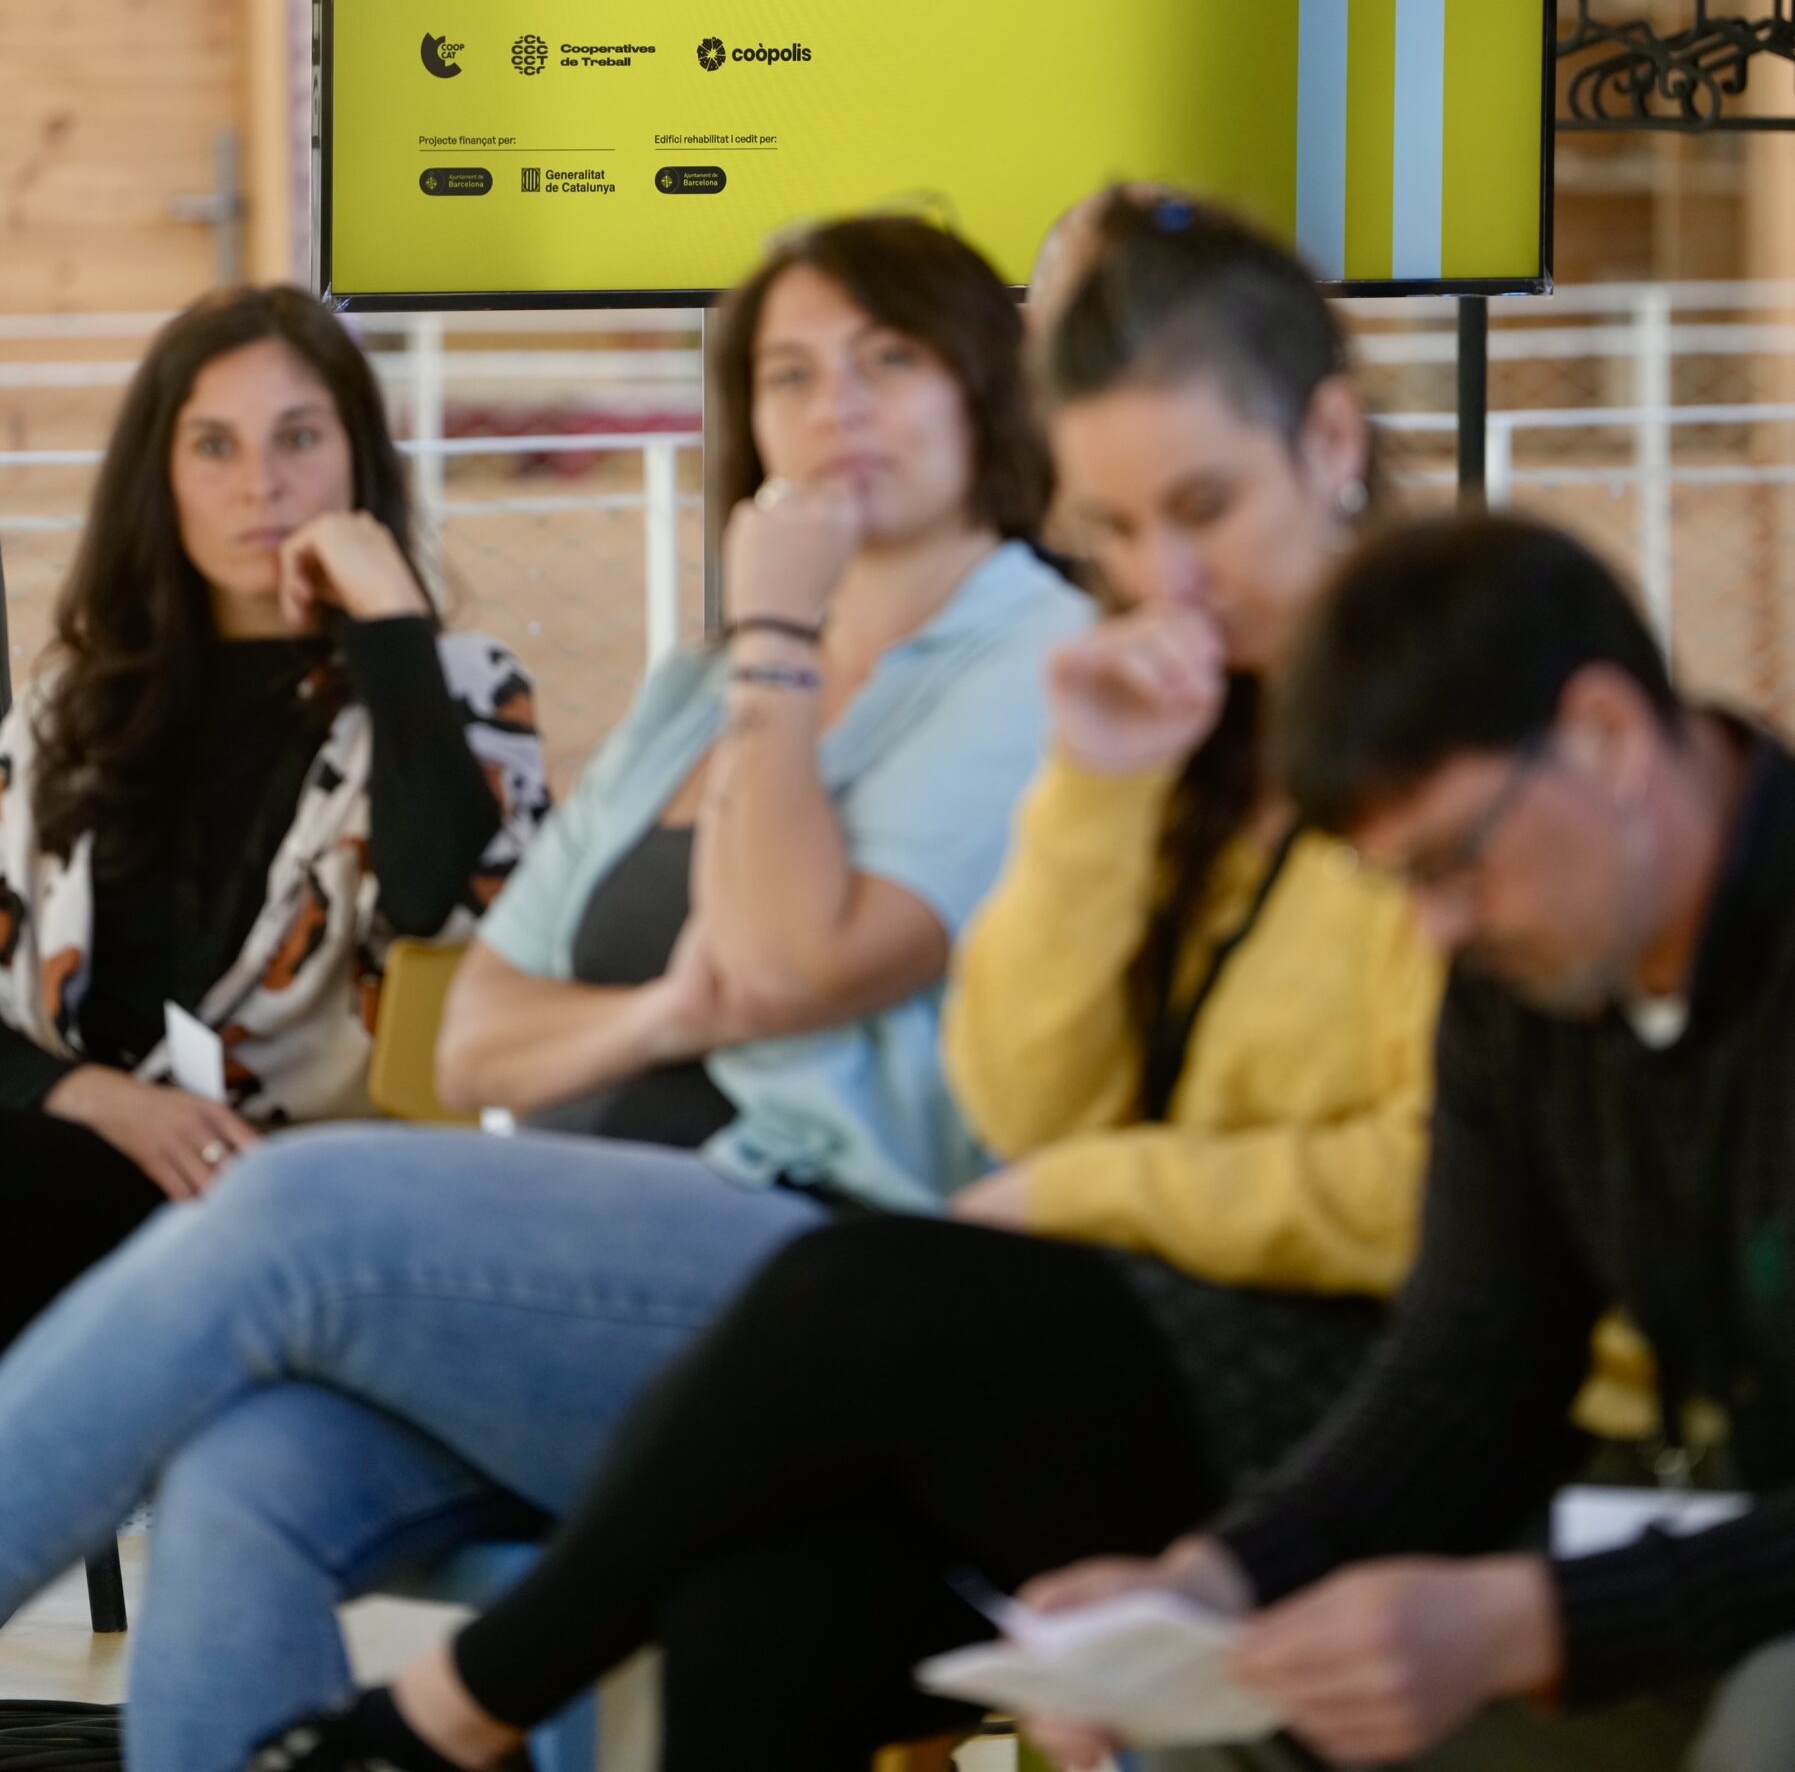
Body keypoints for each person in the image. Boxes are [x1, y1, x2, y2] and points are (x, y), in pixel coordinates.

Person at [251, 190, 1443, 1772]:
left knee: (820, 1287)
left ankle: (442, 1716)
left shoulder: (1443, 717)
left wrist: (1092, 1184)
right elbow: (1032, 1094)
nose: (1164, 577)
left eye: (1202, 508)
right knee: (756, 1605)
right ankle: (436, 1725)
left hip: (1358, 1375)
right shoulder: (1166, 718)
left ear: (1331, 443)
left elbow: (1431, 1192)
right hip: (1119, 1330)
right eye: (1111, 534)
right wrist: (1096, 796)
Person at [0, 214, 1087, 1772]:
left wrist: (782, 637)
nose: (834, 405)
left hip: (834, 1276)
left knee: (293, 1214)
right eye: (789, 373)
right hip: (577, 1261)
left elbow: (784, 959)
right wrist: (664, 1015)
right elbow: (482, 1036)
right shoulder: (695, 692)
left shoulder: (1027, 658)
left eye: (886, 360)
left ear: (984, 391)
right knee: (249, 1470)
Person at [1014, 511, 1795, 1772]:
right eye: (1402, 884)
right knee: (1236, 1711)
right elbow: (1471, 1362)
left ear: (1603, 735)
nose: (1434, 931)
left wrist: (1536, 1624)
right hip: (1692, 1548)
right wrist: (1209, 1586)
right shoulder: (1524, 986)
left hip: (1737, 1595)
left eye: (1451, 862)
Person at [0, 284, 548, 1352]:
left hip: (305, 1185)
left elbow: (438, 907)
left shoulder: (459, 689)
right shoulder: (71, 711)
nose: (262, 484)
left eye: (299, 438)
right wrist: (101, 1099)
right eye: (215, 445)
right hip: (82, 1149)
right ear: (160, 476)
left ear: (356, 459)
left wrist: (389, 626)